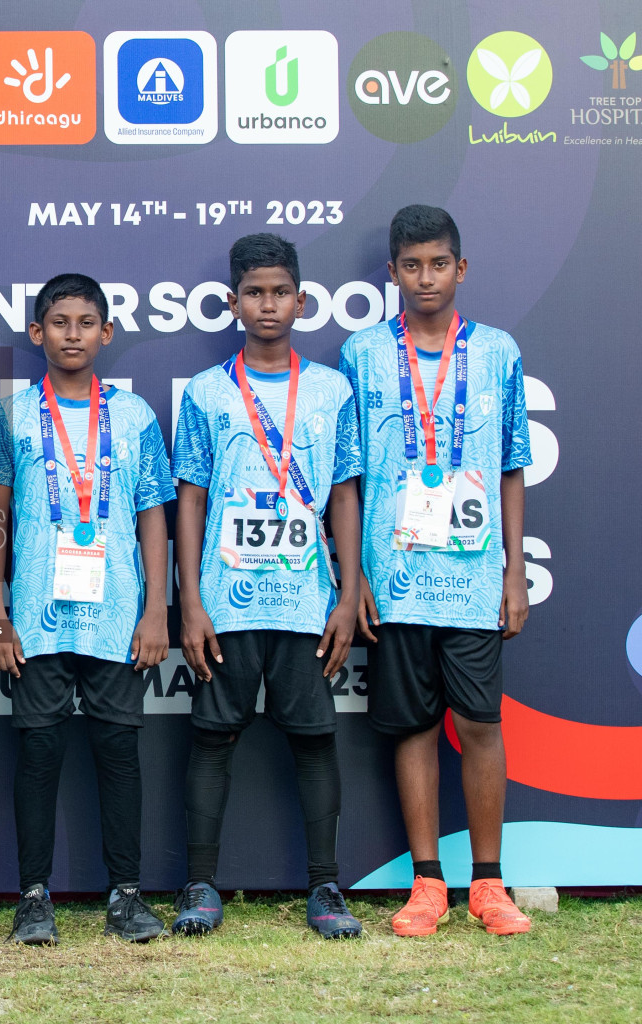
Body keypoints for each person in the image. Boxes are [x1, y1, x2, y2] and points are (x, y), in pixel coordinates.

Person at [340, 205, 533, 936]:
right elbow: (349, 478)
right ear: (391, 272)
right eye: (411, 265)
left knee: (481, 724)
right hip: (394, 581)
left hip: (474, 577)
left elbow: (512, 466)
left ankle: (490, 885)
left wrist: (513, 571)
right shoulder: (361, 353)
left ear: (461, 267)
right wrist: (355, 574)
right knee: (413, 729)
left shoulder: (497, 352)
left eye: (439, 263)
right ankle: (428, 884)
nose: (426, 277)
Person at [172, 234, 365, 939]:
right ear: (232, 303)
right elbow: (189, 497)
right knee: (214, 736)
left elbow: (345, 494)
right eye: (253, 292)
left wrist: (347, 594)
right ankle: (200, 885)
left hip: (308, 600)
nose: (268, 304)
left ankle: (325, 887)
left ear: (302, 301)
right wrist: (188, 600)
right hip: (225, 598)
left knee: (314, 738)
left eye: (280, 291)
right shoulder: (206, 392)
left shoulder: (331, 389)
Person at [0, 273, 176, 945]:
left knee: (119, 751)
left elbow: (154, 515)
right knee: (38, 754)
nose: (71, 334)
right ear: (37, 332)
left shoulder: (136, 416)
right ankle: (33, 898)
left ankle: (126, 895)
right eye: (58, 322)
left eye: (85, 322)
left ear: (106, 333)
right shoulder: (9, 416)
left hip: (118, 614)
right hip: (34, 616)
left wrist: (157, 608)